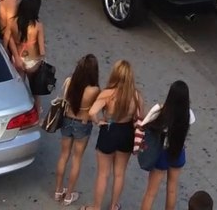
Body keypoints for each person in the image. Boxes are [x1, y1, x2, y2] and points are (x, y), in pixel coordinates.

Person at [91, 60, 144, 210]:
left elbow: (92, 112)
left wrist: (98, 121)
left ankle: (96, 207)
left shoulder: (108, 94)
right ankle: (114, 206)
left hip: (109, 130)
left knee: (103, 174)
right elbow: (141, 118)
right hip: (126, 133)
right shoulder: (136, 96)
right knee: (119, 174)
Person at [137, 80, 195, 210]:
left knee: (151, 193)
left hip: (162, 153)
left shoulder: (160, 111)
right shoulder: (188, 114)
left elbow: (143, 125)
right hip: (178, 151)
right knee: (172, 190)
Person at [55, 54, 101, 206]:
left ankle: (57, 190)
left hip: (67, 120)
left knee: (63, 155)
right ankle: (69, 195)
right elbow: (94, 111)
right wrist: (99, 122)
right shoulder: (94, 90)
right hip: (82, 123)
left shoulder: (69, 82)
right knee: (77, 159)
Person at [13, 0, 46, 106]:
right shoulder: (38, 26)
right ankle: (37, 110)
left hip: (17, 58)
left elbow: (8, 39)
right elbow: (41, 49)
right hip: (32, 61)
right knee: (35, 89)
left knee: (19, 87)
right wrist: (42, 60)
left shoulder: (13, 22)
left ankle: (19, 107)